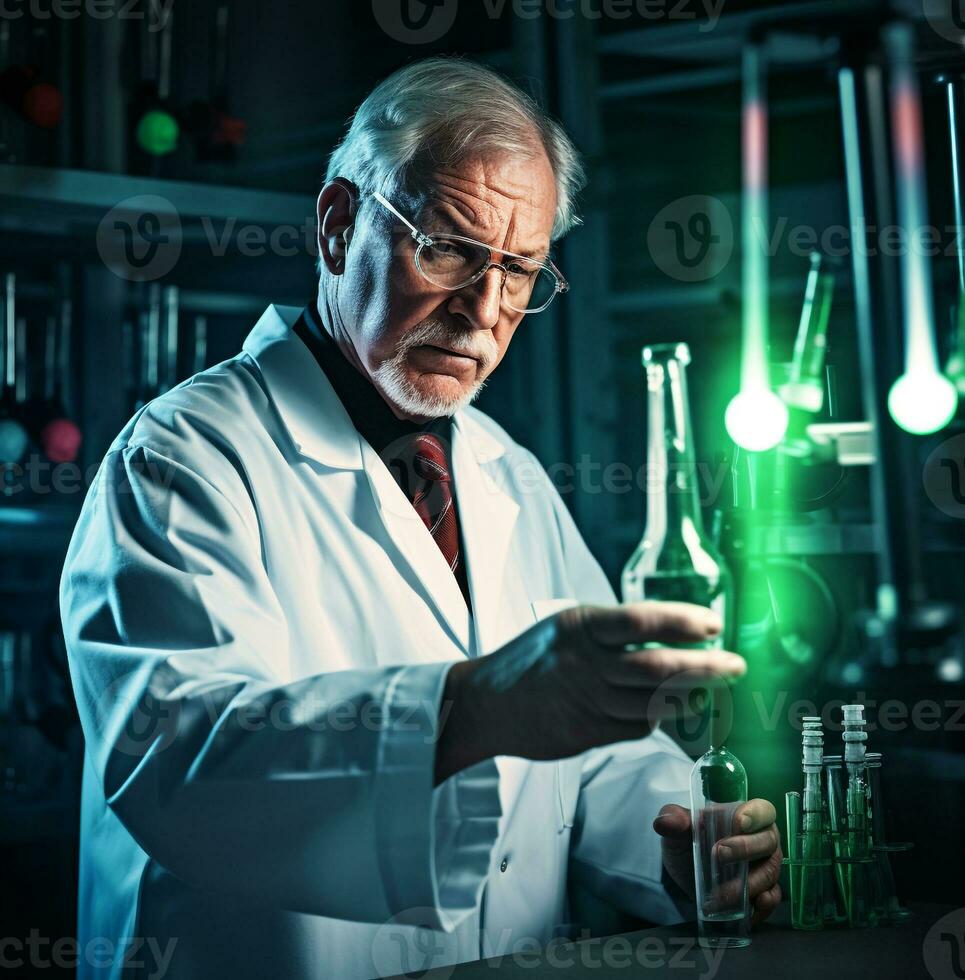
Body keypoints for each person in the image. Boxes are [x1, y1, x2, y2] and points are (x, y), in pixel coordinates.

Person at [60, 55, 782, 980]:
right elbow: (180, 761)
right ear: (336, 225)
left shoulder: (505, 474)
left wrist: (681, 845)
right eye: (445, 246)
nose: (482, 311)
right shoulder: (183, 459)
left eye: (519, 272)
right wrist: (475, 709)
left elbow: (595, 755)